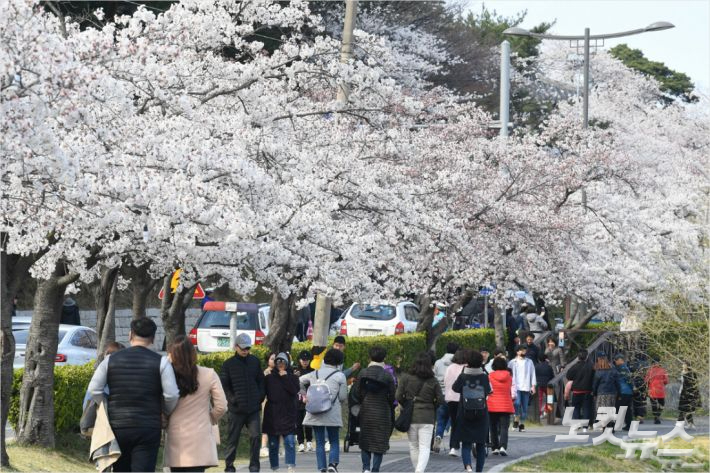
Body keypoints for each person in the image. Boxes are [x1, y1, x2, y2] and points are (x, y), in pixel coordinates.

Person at [88, 317, 180, 472]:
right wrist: (164, 411)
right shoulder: (161, 362)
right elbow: (171, 395)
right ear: (153, 338)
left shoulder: (111, 360)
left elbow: (95, 389)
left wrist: (106, 406)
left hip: (118, 425)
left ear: (130, 335)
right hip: (148, 426)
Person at [164, 336, 227, 472]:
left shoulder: (167, 376)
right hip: (200, 436)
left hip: (177, 436)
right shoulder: (209, 374)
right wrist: (210, 418)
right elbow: (221, 406)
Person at [220, 333, 266, 473]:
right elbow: (224, 386)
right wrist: (233, 400)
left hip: (253, 409)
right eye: (243, 348)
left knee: (255, 437)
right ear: (236, 347)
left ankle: (254, 467)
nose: (245, 351)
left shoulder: (255, 361)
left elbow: (261, 381)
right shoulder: (228, 364)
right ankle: (229, 467)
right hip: (236, 410)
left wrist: (259, 397)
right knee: (232, 440)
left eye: (247, 348)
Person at [301, 349, 348, 473]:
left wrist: (304, 395)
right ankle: (332, 465)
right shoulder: (340, 375)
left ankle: (321, 468)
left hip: (315, 412)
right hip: (332, 412)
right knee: (334, 440)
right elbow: (343, 397)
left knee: (320, 442)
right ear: (339, 361)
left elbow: (299, 380)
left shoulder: (314, 373)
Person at [396, 352, 444, 473]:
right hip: (427, 417)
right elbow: (441, 399)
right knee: (424, 447)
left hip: (410, 416)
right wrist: (432, 406)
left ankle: (418, 470)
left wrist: (406, 403)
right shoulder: (433, 380)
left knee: (413, 446)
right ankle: (419, 470)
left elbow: (398, 395)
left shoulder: (406, 378)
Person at [351, 346, 396, 473]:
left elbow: (357, 392)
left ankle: (366, 468)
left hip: (366, 411)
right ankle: (375, 469)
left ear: (370, 357)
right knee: (379, 442)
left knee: (365, 439)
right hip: (383, 412)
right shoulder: (387, 375)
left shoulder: (363, 373)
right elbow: (393, 396)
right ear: (384, 358)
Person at [452, 350, 491, 472]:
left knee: (466, 443)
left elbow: (455, 388)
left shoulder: (463, 376)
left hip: (465, 412)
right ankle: (479, 470)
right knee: (480, 444)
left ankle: (468, 467)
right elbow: (488, 391)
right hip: (481, 413)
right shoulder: (484, 376)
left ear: (467, 362)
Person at [263, 352, 300, 473]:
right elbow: (263, 393)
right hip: (272, 414)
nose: (280, 364)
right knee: (273, 444)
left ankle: (291, 466)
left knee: (289, 442)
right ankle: (275, 468)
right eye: (278, 361)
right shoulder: (269, 378)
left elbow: (294, 391)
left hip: (288, 413)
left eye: (283, 361)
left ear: (287, 363)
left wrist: (285, 377)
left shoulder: (293, 377)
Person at [82, 342, 124, 410]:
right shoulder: (110, 366)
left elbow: (87, 401)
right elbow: (94, 391)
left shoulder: (101, 370)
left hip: (96, 414)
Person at [433, 342, 458, 452]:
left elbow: (433, 376)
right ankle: (453, 446)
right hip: (453, 396)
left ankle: (439, 435)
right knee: (455, 421)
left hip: (441, 394)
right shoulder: (458, 364)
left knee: (441, 419)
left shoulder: (438, 362)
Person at [444, 348, 469, 457]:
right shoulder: (466, 368)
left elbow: (445, 381)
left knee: (454, 422)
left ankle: (453, 446)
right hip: (463, 399)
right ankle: (459, 445)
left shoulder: (449, 368)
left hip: (450, 398)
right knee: (463, 422)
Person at [487, 357, 514, 457]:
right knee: (504, 427)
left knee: (493, 427)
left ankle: (495, 447)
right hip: (505, 405)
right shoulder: (509, 377)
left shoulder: (490, 376)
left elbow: (488, 389)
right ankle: (503, 447)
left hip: (492, 404)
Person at [508, 344, 536, 432]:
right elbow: (508, 375)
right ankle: (516, 419)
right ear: (517, 352)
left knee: (525, 407)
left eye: (524, 350)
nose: (524, 351)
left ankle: (521, 424)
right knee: (516, 403)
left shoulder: (529, 362)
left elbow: (533, 374)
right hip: (516, 387)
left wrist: (533, 386)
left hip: (526, 386)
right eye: (522, 350)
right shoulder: (512, 362)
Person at [567, 349, 595, 432]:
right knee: (586, 408)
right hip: (587, 390)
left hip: (576, 390)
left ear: (578, 357)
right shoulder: (591, 366)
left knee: (576, 408)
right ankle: (585, 427)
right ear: (586, 357)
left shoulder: (574, 366)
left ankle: (576, 425)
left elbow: (569, 376)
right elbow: (594, 377)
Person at [294, 350, 314, 452]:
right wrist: (294, 377)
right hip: (297, 400)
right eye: (303, 360)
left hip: (309, 400)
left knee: (308, 421)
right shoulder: (295, 371)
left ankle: (309, 442)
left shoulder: (313, 371)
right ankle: (301, 443)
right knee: (298, 422)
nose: (305, 362)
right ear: (299, 360)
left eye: (307, 360)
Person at [592, 354, 620, 425]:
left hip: (601, 393)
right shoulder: (613, 371)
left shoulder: (598, 372)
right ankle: (611, 425)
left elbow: (595, 384)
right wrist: (619, 393)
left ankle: (604, 426)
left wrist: (594, 393)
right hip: (612, 393)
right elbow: (617, 382)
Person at [260, 352, 277, 457]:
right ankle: (263, 447)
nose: (274, 361)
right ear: (267, 361)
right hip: (267, 401)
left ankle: (278, 447)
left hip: (279, 402)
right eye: (272, 359)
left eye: (276, 359)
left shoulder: (280, 372)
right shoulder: (265, 373)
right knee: (266, 424)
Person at [613, 354, 634, 431]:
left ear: (620, 360)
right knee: (628, 410)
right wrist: (632, 389)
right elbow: (630, 381)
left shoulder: (621, 369)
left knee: (618, 409)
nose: (615, 362)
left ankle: (617, 425)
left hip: (623, 391)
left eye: (616, 360)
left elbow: (627, 380)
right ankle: (628, 425)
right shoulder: (626, 368)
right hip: (628, 392)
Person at [645, 359, 668, 424]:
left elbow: (646, 380)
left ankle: (656, 417)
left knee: (653, 404)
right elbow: (666, 381)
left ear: (652, 363)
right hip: (660, 390)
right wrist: (662, 382)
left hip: (652, 390)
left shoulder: (649, 371)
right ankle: (657, 415)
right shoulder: (663, 370)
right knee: (662, 404)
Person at [677, 362, 700, 429]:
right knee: (685, 409)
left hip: (689, 393)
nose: (683, 366)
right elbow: (682, 383)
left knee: (685, 409)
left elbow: (694, 384)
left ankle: (680, 424)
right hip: (682, 392)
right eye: (682, 364)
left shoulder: (692, 373)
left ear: (688, 366)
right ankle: (690, 423)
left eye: (684, 364)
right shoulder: (682, 372)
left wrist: (693, 393)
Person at [535, 354, 555, 421]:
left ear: (539, 359)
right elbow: (552, 376)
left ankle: (539, 413)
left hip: (539, 385)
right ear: (545, 359)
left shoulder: (536, 366)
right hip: (548, 385)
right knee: (549, 398)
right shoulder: (549, 367)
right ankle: (547, 411)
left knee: (540, 399)